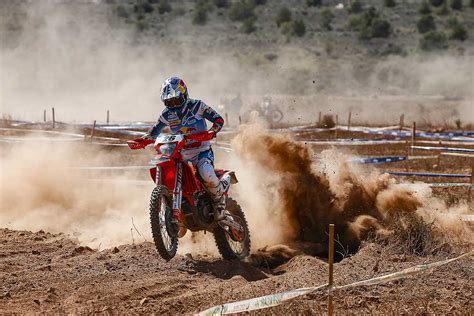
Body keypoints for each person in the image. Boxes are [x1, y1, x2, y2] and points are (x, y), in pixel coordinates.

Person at [143, 76, 229, 221]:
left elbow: (219, 120)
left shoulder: (198, 106)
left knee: (205, 173)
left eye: (176, 100)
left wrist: (212, 131)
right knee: (167, 171)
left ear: (184, 94)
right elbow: (154, 131)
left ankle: (219, 201)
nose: (173, 104)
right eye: (169, 101)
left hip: (201, 151)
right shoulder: (166, 114)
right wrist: (143, 140)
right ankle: (175, 208)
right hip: (180, 152)